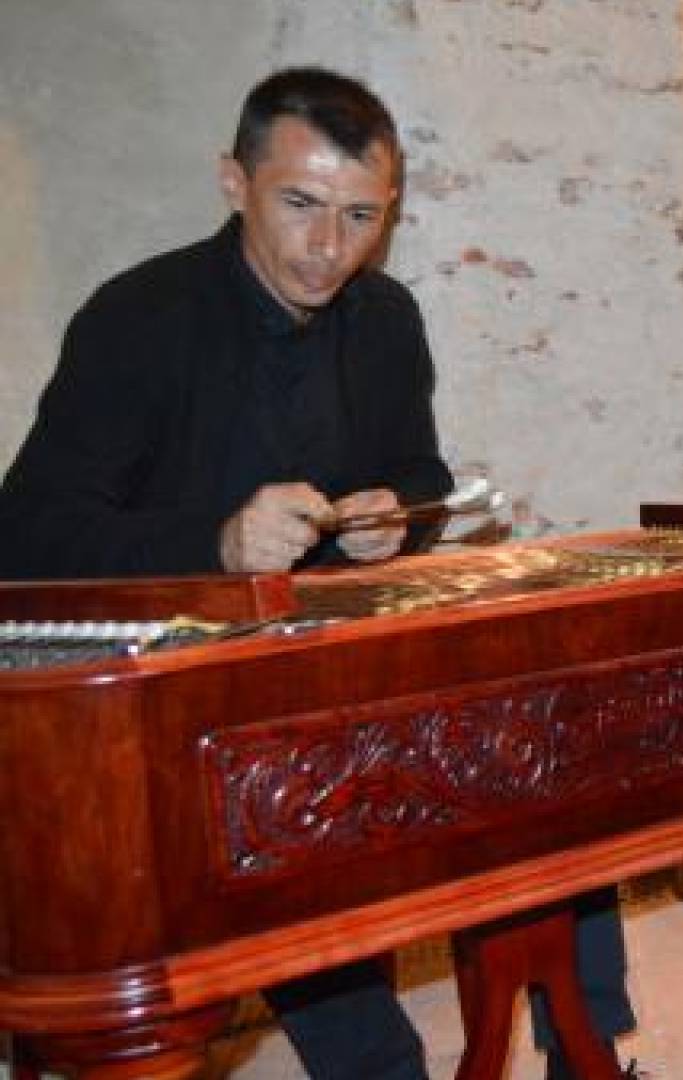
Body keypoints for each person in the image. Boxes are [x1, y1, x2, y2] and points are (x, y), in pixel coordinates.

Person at [0, 68, 633, 1080]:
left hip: (334, 651)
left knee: (541, 727)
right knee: (291, 814)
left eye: (361, 217)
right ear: (233, 181)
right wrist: (216, 541)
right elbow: (29, 535)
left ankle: (587, 1043)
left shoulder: (385, 318)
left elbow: (419, 473)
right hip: (177, 687)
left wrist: (394, 516)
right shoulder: (139, 318)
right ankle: (380, 1068)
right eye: (300, 204)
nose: (329, 247)